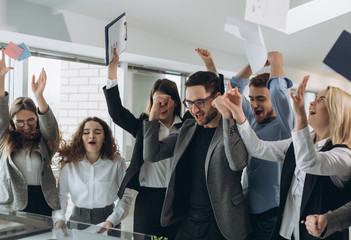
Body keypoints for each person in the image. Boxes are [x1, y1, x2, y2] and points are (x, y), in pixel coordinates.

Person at [213, 76, 351, 240]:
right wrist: (238, 112)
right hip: (285, 235)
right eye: (315, 98)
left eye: (321, 100)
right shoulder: (299, 143)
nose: (312, 103)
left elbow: (308, 162)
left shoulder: (345, 155)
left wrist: (300, 117)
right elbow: (257, 148)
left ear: (337, 111)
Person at [143, 71, 251, 240]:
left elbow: (237, 164)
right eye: (189, 103)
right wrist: (153, 116)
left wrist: (227, 116)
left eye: (200, 102)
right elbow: (152, 154)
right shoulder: (187, 129)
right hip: (189, 222)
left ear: (216, 98)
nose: (194, 110)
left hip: (223, 225)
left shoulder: (233, 128)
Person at [102, 48, 183, 239]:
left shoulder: (186, 128)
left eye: (166, 101)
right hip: (147, 199)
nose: (161, 105)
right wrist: (112, 72)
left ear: (175, 102)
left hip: (177, 199)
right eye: (157, 100)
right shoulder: (142, 126)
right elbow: (116, 113)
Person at [229, 51, 294, 240]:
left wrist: (275, 63)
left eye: (261, 99)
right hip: (247, 211)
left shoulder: (286, 126)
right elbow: (234, 89)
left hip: (271, 216)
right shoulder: (251, 120)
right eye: (252, 98)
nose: (254, 103)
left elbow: (279, 94)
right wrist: (253, 63)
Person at [0, 48, 61, 216]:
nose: (26, 126)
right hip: (13, 203)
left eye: (31, 121)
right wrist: (1, 78)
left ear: (37, 118)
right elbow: (0, 117)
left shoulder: (44, 140)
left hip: (43, 201)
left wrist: (39, 95)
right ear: (11, 121)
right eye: (19, 122)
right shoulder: (4, 139)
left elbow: (51, 129)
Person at [53, 117, 133, 234]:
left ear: (104, 138)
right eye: (86, 132)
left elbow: (126, 196)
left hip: (108, 220)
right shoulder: (69, 162)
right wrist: (59, 219)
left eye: (97, 132)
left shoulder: (117, 162)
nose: (91, 136)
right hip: (77, 221)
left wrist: (111, 220)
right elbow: (61, 196)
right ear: (81, 137)